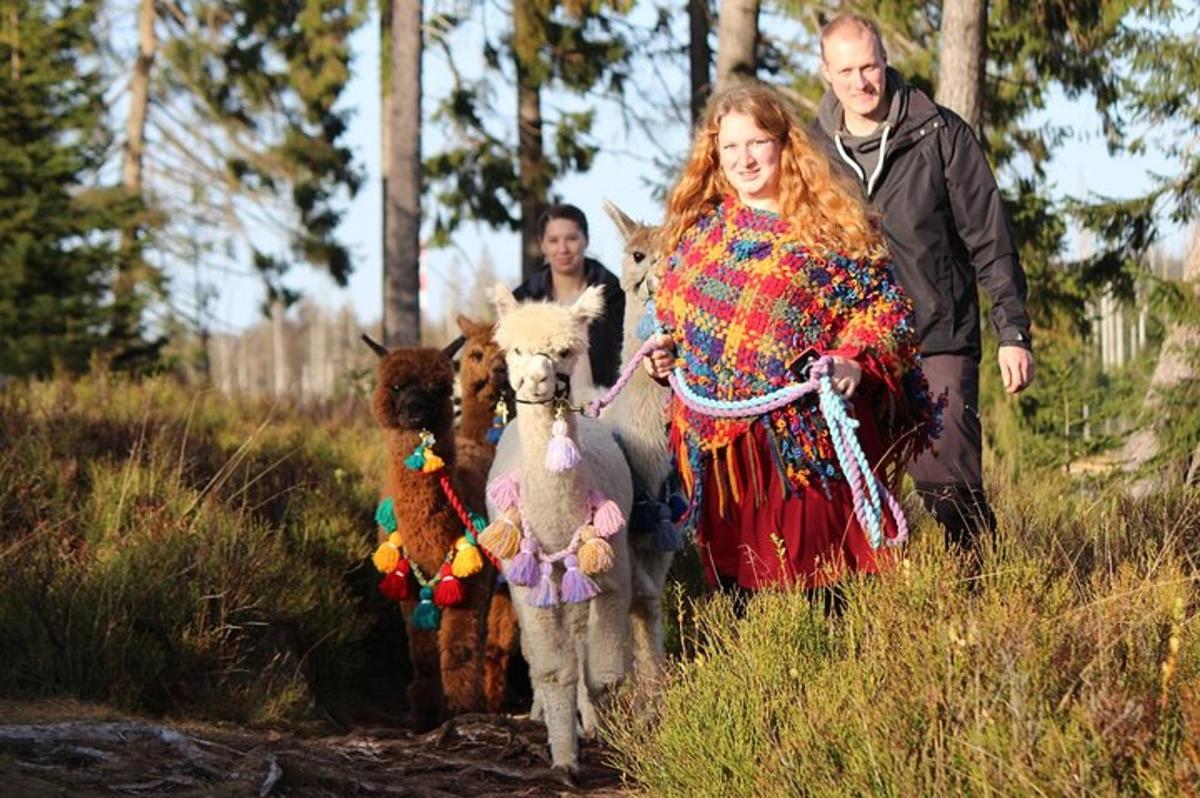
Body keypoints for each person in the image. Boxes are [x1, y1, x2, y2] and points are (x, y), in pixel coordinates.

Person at [644, 81, 937, 594]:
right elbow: (670, 322)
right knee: (742, 595)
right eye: (730, 146)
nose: (745, 159)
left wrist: (852, 360)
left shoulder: (830, 230)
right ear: (714, 154)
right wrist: (663, 356)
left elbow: (885, 310)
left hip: (802, 450)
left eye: (756, 142)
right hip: (726, 462)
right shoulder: (700, 236)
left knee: (823, 588)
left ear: (783, 144)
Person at [812, 13, 1035, 557]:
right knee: (855, 498)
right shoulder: (812, 152)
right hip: (852, 352)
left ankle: (985, 597)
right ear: (826, 74)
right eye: (846, 71)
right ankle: (886, 622)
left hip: (937, 338)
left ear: (885, 60)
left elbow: (990, 237)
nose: (861, 82)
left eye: (869, 66)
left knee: (949, 490)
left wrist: (1013, 332)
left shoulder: (941, 133)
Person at [513, 203, 625, 388]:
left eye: (572, 238)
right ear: (542, 244)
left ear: (586, 240)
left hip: (609, 406)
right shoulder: (525, 302)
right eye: (553, 240)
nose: (563, 249)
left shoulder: (616, 297)